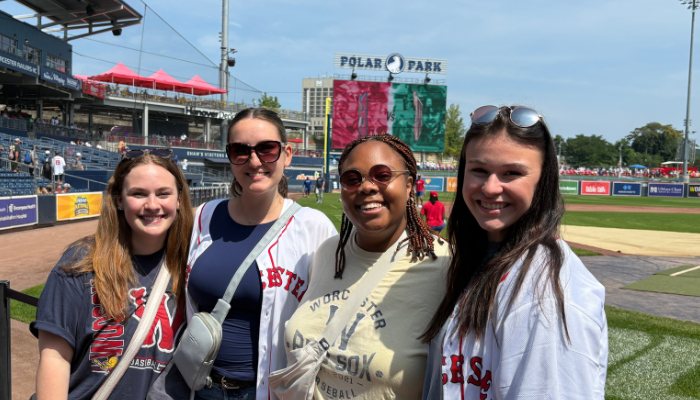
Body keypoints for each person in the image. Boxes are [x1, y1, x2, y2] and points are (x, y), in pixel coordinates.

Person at [421, 105, 607, 399]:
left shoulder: (548, 293)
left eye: (512, 173)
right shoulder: (479, 258)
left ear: (542, 179)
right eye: (479, 170)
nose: (491, 187)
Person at [186, 108, 336, 400]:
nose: (254, 160)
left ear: (287, 154)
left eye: (267, 149)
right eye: (240, 150)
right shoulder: (202, 217)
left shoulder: (313, 227)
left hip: (271, 392)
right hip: (200, 388)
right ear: (230, 157)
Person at [282, 134, 448, 399]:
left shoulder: (445, 266)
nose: (367, 187)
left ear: (408, 186)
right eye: (352, 179)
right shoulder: (327, 253)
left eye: (382, 175)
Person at [32, 148, 194, 399]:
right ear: (119, 199)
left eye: (163, 193)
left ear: (179, 199)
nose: (152, 205)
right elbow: (55, 357)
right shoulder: (82, 262)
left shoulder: (194, 264)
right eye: (138, 194)